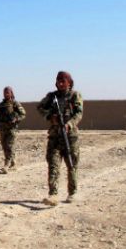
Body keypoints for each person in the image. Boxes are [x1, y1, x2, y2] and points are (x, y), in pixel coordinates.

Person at [37, 71, 83, 206]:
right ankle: (53, 194)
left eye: (63, 81)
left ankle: (72, 193)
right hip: (55, 136)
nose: (60, 83)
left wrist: (69, 124)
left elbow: (79, 113)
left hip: (70, 136)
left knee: (72, 164)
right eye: (58, 81)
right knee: (53, 165)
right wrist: (49, 117)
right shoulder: (52, 97)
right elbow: (40, 107)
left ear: (69, 82)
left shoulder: (74, 95)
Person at [0, 86, 26, 173]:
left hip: (11, 129)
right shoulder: (1, 105)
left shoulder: (15, 103)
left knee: (10, 146)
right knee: (4, 146)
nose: (6, 94)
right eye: (4, 92)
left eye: (7, 92)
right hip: (2, 129)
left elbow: (23, 114)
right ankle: (13, 163)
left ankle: (6, 165)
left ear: (11, 93)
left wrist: (16, 119)